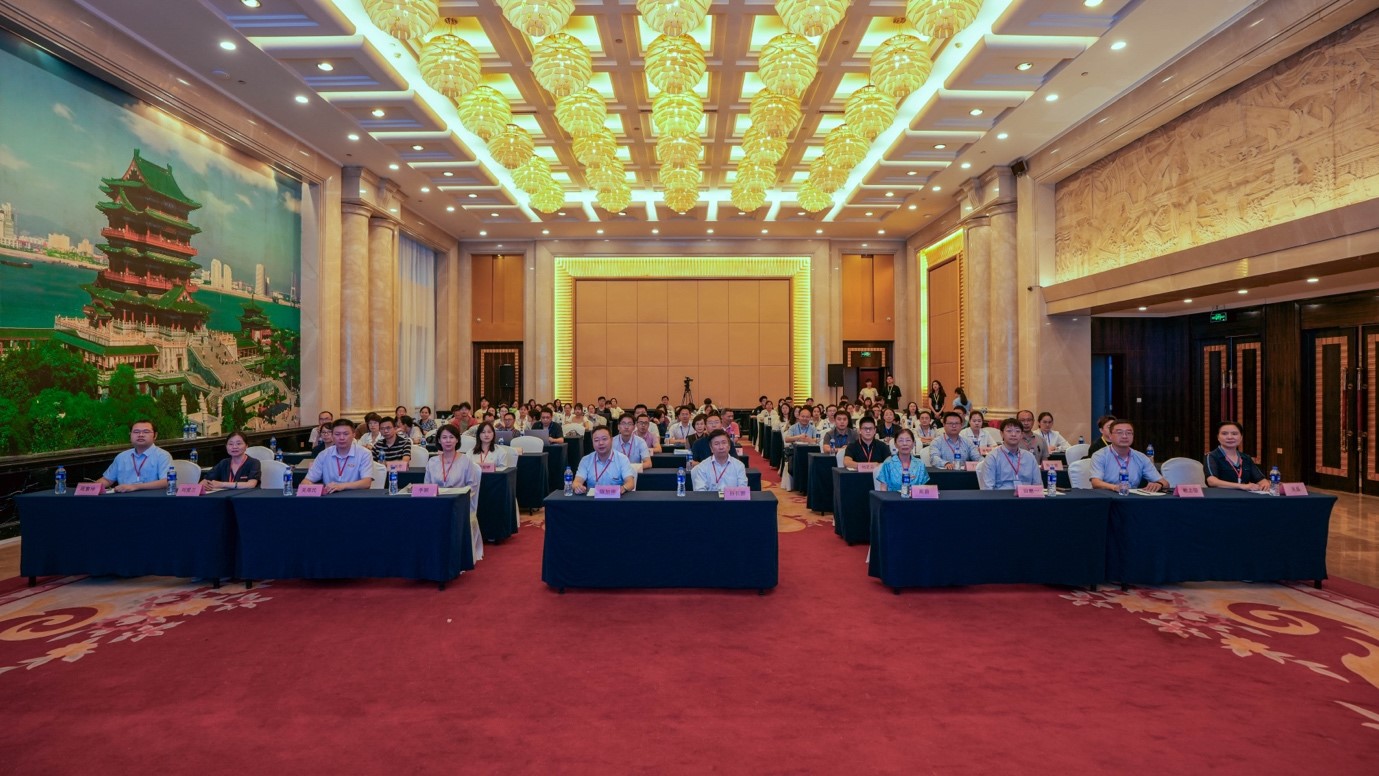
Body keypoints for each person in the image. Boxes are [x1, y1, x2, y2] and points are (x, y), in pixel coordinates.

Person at [1088, 420, 1171, 493]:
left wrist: (1159, 484)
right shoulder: (1100, 455)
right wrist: (1115, 487)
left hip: (1132, 498)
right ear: (1110, 436)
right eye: (1119, 432)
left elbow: (1165, 483)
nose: (1124, 436)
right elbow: (1096, 483)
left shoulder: (1141, 457)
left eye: (1129, 433)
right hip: (1107, 497)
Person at [96, 419, 173, 493]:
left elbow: (167, 481)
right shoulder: (122, 457)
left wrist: (135, 487)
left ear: (155, 435)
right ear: (130, 435)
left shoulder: (163, 455)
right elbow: (107, 480)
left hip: (152, 498)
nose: (140, 435)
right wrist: (92, 487)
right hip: (124, 499)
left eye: (146, 432)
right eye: (136, 432)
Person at [304, 418, 376, 493]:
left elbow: (366, 483)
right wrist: (308, 485)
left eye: (346, 434)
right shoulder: (324, 454)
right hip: (330, 496)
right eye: (337, 434)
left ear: (353, 435)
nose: (341, 438)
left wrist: (341, 486)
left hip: (355, 496)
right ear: (332, 435)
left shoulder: (364, 453)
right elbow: (307, 480)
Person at [1205, 420, 1270, 491]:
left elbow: (1261, 479)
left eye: (1234, 434)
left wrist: (1265, 484)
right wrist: (1242, 486)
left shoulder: (1246, 458)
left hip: (1245, 496)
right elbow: (1212, 481)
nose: (1230, 437)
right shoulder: (1211, 456)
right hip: (1221, 496)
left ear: (1241, 437)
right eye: (1224, 434)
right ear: (1218, 437)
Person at [981, 418, 1042, 490]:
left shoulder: (1030, 457)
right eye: (1009, 431)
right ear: (1002, 434)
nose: (1013, 434)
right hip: (1001, 496)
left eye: (1017, 431)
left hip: (1026, 496)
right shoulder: (992, 457)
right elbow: (987, 489)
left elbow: (1038, 486)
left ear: (1022, 435)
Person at [572, 427, 636, 494]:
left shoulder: (622, 459)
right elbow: (576, 482)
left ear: (611, 440)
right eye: (596, 440)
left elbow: (630, 483)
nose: (601, 443)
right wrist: (578, 487)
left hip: (615, 498)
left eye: (604, 439)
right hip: (593, 499)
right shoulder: (586, 460)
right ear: (592, 442)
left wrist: (623, 488)